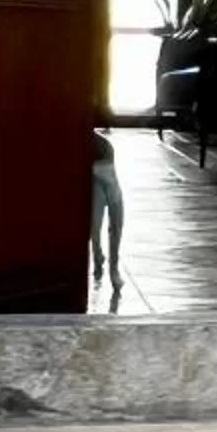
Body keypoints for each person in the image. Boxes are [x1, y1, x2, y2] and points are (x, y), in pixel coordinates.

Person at [91, 129, 124, 308]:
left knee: (112, 223)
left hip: (106, 173)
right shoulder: (101, 144)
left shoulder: (104, 145)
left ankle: (110, 266)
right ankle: (99, 258)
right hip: (101, 176)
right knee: (95, 227)